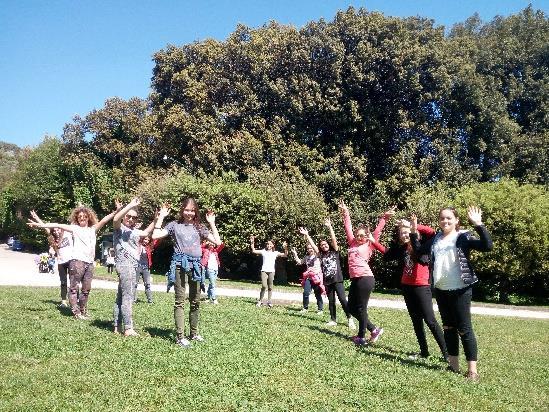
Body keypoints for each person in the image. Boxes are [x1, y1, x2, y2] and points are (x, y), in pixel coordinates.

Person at [410, 206, 493, 381]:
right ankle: (453, 366)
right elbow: (418, 251)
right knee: (448, 328)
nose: (445, 221)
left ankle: (472, 371)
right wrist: (413, 232)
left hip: (461, 289)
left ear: (456, 220)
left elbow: (487, 246)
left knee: (464, 328)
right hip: (441, 289)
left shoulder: (463, 236)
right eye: (442, 218)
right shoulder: (435, 240)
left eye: (449, 218)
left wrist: (479, 224)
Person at [371, 216, 448, 360]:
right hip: (407, 287)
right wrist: (373, 241)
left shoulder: (422, 245)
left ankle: (447, 354)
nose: (404, 234)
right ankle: (424, 352)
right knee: (416, 320)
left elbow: (433, 233)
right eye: (402, 232)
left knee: (430, 320)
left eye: (406, 232)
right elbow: (387, 253)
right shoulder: (401, 248)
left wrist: (414, 226)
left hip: (421, 286)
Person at [27, 202, 120, 319]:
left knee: (86, 289)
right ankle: (76, 312)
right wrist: (38, 224)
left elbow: (105, 219)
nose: (82, 218)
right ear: (76, 218)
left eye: (84, 216)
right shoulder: (74, 229)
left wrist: (116, 211)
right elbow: (56, 224)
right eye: (79, 216)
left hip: (90, 263)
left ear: (88, 218)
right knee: (74, 288)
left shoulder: (93, 229)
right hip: (77, 262)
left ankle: (82, 310)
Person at [152, 199, 221, 348]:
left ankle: (194, 333)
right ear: (182, 210)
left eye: (192, 210)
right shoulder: (174, 225)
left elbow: (218, 241)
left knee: (195, 301)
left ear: (196, 211)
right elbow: (154, 236)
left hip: (196, 266)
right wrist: (161, 217)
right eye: (186, 209)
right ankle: (180, 336)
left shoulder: (200, 227)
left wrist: (212, 223)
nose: (189, 213)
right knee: (180, 301)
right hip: (179, 265)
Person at [339, 200, 394, 345]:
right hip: (355, 279)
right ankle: (373, 329)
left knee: (361, 308)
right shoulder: (352, 243)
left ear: (367, 236)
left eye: (362, 235)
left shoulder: (370, 244)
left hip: (365, 278)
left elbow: (377, 231)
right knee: (351, 307)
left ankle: (361, 337)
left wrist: (384, 218)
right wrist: (346, 213)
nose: (359, 237)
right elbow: (348, 227)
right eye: (358, 235)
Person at [112, 198, 156, 336]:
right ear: (124, 216)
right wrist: (130, 205)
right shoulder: (120, 229)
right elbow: (115, 219)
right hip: (126, 264)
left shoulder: (133, 231)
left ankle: (116, 326)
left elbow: (145, 233)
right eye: (128, 216)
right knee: (128, 296)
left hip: (130, 264)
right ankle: (128, 328)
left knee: (121, 296)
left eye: (134, 217)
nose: (131, 219)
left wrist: (156, 219)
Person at [30, 210, 74, 308]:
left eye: (58, 229)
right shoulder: (53, 238)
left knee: (73, 281)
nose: (56, 231)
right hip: (61, 262)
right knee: (63, 282)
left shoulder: (67, 232)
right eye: (54, 230)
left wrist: (80, 208)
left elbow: (74, 221)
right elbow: (44, 226)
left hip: (71, 260)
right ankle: (63, 301)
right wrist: (36, 218)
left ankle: (75, 300)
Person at [318, 217, 355, 329]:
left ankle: (350, 318)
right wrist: (307, 235)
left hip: (337, 280)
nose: (324, 246)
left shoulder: (335, 252)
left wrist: (330, 227)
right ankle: (333, 320)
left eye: (325, 244)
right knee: (331, 301)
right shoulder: (321, 255)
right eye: (322, 245)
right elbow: (315, 248)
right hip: (327, 282)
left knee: (343, 299)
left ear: (328, 245)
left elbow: (334, 239)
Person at [291, 227, 324, 314]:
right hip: (308, 278)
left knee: (317, 294)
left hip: (316, 277)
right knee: (306, 293)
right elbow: (299, 262)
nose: (310, 249)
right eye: (308, 248)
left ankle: (320, 309)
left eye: (311, 248)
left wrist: (307, 235)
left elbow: (314, 246)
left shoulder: (318, 255)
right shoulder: (306, 257)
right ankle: (305, 308)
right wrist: (295, 254)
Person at [250, 236, 288, 308]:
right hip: (264, 271)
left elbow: (285, 255)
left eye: (270, 244)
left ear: (273, 245)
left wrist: (285, 247)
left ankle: (269, 301)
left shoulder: (275, 253)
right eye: (268, 244)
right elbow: (253, 251)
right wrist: (252, 242)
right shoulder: (263, 251)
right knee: (264, 286)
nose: (269, 245)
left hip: (271, 271)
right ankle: (260, 301)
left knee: (270, 287)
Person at [133, 236, 157, 304]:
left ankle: (150, 301)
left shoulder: (149, 247)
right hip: (137, 267)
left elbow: (156, 241)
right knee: (135, 284)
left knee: (147, 285)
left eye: (148, 240)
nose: (146, 241)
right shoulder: (137, 245)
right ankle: (133, 300)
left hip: (146, 268)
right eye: (145, 239)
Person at [200, 239, 225, 305]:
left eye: (213, 244)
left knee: (211, 284)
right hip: (209, 269)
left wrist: (221, 242)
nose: (212, 245)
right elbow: (200, 247)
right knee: (213, 284)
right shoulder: (205, 250)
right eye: (211, 244)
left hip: (215, 269)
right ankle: (214, 299)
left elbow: (221, 246)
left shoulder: (215, 251)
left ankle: (208, 298)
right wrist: (207, 243)